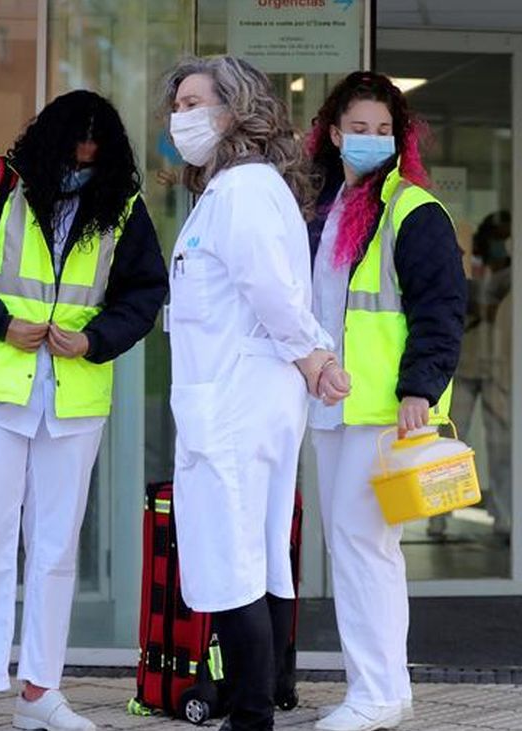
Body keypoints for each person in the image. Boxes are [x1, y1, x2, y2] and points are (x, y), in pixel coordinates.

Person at [0, 89, 168, 731]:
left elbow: (143, 293)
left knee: (55, 549)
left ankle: (39, 692)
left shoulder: (123, 207)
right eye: (75, 143)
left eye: (95, 146)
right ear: (49, 140)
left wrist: (95, 340)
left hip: (74, 396)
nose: (84, 156)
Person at [162, 55, 339, 731]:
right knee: (254, 554)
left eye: (194, 102)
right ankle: (259, 696)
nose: (181, 117)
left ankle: (250, 712)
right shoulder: (233, 190)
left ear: (234, 110)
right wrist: (310, 354)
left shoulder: (242, 191)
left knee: (234, 557)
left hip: (237, 403)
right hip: (239, 397)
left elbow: (273, 292)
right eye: (176, 106)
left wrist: (313, 354)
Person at [303, 71, 465, 731]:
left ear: (398, 138)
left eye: (383, 130)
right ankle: (387, 689)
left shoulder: (412, 208)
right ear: (334, 133)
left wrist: (418, 390)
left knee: (361, 544)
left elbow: (443, 310)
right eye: (359, 129)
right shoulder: (327, 208)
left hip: (383, 410)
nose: (371, 140)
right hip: (334, 406)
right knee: (361, 548)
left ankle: (373, 693)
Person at [430, 210, 512, 541]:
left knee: (501, 444)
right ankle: (438, 515)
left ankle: (505, 516)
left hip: (496, 367)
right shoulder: (465, 265)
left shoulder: (511, 275)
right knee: (449, 443)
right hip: (462, 367)